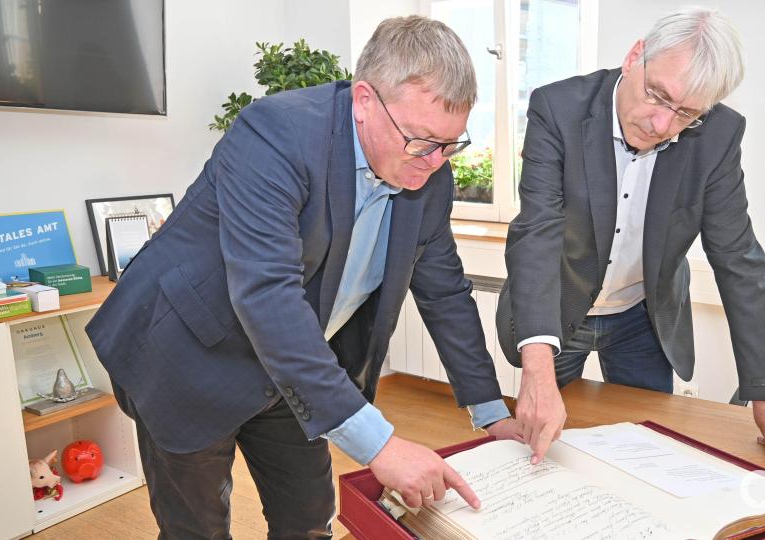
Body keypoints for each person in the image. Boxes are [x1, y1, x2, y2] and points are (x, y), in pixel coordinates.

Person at [87, 16, 523, 539]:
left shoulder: (428, 168)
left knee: (309, 518)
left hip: (292, 365)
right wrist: (382, 445)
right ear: (364, 101)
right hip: (186, 355)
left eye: (451, 144)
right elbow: (268, 295)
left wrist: (491, 411)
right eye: (422, 141)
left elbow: (444, 291)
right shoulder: (274, 133)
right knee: (197, 529)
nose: (435, 162)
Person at [497, 7, 765, 469]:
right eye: (657, 96)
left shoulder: (718, 136)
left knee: (646, 454)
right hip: (559, 311)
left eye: (686, 113)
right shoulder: (558, 108)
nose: (661, 125)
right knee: (540, 448)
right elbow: (538, 233)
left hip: (642, 320)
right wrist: (536, 366)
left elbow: (737, 256)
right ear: (634, 56)